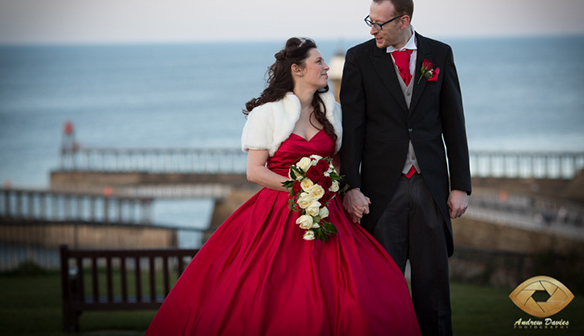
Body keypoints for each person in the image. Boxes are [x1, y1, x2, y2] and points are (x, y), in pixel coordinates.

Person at [146, 37, 420, 335]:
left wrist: (330, 187)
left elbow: (339, 161)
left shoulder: (334, 111)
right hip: (278, 211)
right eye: (318, 62)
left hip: (327, 211)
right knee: (271, 293)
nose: (326, 66)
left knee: (359, 289)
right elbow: (255, 171)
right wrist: (301, 188)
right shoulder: (267, 113)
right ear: (297, 70)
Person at [340, 0, 471, 336]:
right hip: (382, 191)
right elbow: (352, 130)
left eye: (379, 23)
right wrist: (351, 187)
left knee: (434, 293)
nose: (372, 30)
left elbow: (454, 124)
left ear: (404, 20)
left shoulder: (439, 54)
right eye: (370, 21)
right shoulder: (358, 58)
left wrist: (460, 185)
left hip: (431, 189)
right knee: (383, 291)